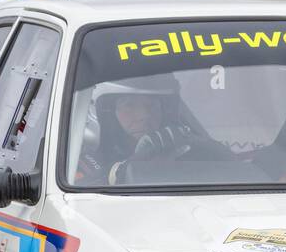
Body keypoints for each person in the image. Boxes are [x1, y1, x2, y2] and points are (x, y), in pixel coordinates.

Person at [74, 77, 221, 184]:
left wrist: (202, 146)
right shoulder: (82, 166)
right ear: (107, 113)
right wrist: (125, 170)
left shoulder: (185, 152)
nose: (143, 115)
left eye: (151, 105)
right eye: (129, 105)